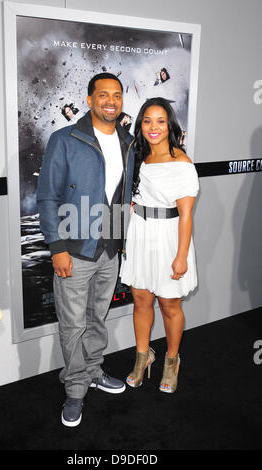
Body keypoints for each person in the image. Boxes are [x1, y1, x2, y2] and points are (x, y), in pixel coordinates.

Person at [36, 73, 135, 427]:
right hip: (74, 250)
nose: (111, 100)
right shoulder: (65, 139)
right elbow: (47, 196)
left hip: (110, 248)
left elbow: (122, 192)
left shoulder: (128, 141)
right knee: (72, 325)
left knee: (97, 318)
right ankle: (75, 390)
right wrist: (57, 247)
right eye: (104, 95)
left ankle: (93, 370)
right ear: (90, 99)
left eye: (117, 95)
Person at [120, 97, 199, 393]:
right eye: (147, 121)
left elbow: (186, 215)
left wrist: (181, 257)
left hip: (168, 237)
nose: (153, 127)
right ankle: (143, 357)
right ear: (141, 124)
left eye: (160, 121)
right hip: (140, 234)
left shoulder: (181, 162)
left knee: (169, 304)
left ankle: (171, 361)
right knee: (141, 300)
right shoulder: (137, 155)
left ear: (170, 125)